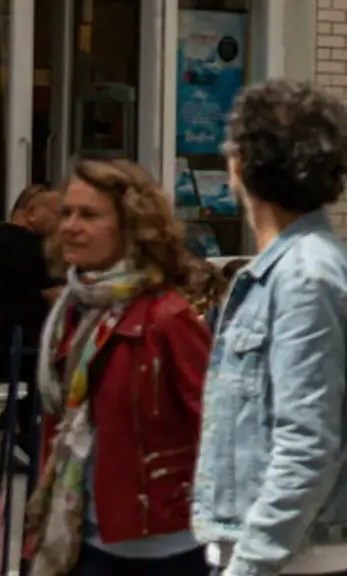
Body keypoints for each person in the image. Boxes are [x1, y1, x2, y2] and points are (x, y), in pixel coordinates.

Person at [193, 80, 347, 576]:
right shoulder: (291, 268)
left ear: (242, 163)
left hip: (298, 556)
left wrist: (249, 565)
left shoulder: (304, 277)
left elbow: (306, 444)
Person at [17, 159, 215, 576]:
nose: (70, 226)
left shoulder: (167, 318)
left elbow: (219, 427)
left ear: (131, 227)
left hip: (157, 547)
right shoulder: (72, 310)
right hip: (77, 534)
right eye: (67, 212)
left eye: (89, 215)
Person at [0, 182, 64, 460]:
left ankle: (8, 423)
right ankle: (15, 426)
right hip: (5, 350)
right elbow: (59, 297)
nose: (64, 224)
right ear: (31, 213)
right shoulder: (25, 246)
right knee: (65, 360)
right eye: (59, 214)